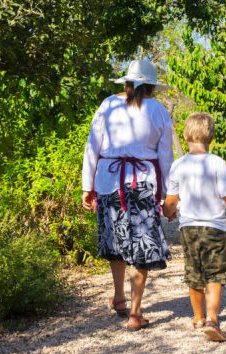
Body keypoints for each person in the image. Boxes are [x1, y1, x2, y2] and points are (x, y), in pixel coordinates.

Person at [81, 59, 174, 330]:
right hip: (142, 184)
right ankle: (134, 312)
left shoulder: (107, 105)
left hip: (109, 181)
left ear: (128, 82)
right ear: (152, 86)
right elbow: (165, 158)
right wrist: (169, 197)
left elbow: (92, 147)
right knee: (141, 245)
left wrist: (88, 186)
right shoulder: (158, 111)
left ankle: (120, 298)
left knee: (115, 241)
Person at [162, 112, 226, 342]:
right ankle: (212, 319)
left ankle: (197, 318)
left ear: (186, 135)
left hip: (188, 228)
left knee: (194, 272)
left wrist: (169, 213)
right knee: (215, 274)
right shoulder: (217, 163)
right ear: (210, 136)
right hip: (214, 229)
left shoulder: (178, 165)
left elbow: (171, 201)